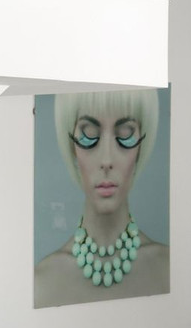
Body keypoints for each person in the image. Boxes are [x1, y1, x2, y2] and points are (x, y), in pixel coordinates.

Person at [34, 89, 169, 308]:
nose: (106, 160)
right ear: (72, 146)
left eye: (125, 134)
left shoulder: (166, 267)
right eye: (89, 134)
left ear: (141, 145)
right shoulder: (42, 282)